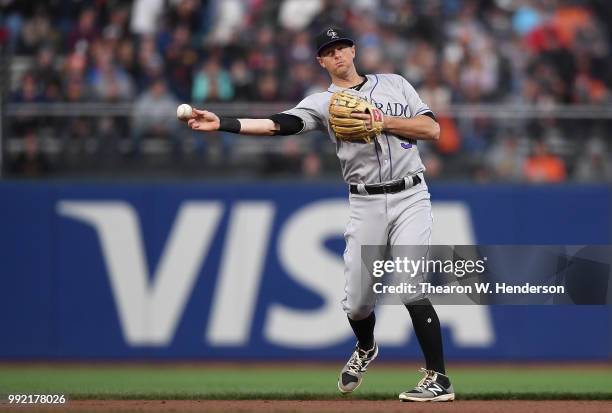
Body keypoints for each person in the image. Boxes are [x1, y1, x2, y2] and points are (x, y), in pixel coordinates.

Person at [185, 27, 454, 402]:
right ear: (321, 61)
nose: (339, 54)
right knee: (357, 304)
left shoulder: (395, 84)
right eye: (330, 51)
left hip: (411, 194)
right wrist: (224, 123)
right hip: (365, 203)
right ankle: (366, 347)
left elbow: (432, 128)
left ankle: (439, 380)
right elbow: (279, 124)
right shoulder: (322, 102)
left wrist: (383, 122)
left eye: (343, 46)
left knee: (411, 287)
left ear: (354, 50)